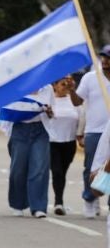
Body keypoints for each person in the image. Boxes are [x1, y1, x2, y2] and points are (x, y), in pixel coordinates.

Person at [69, 44, 110, 218]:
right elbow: (78, 102)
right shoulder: (91, 78)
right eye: (103, 57)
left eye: (108, 57)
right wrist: (72, 90)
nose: (105, 60)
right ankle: (90, 199)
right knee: (92, 167)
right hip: (94, 130)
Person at [2, 85, 54, 218]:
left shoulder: (47, 88)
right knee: (18, 169)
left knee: (40, 169)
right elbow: (9, 110)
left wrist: (49, 112)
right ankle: (18, 204)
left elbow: (52, 112)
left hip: (40, 131)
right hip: (20, 129)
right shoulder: (17, 85)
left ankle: (38, 207)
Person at [43, 76, 82, 216]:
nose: (65, 85)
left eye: (68, 83)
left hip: (69, 143)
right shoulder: (49, 100)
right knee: (57, 171)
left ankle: (59, 199)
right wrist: (48, 113)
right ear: (55, 85)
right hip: (52, 142)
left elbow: (80, 118)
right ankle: (58, 203)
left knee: (62, 173)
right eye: (62, 83)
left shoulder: (73, 100)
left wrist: (80, 136)